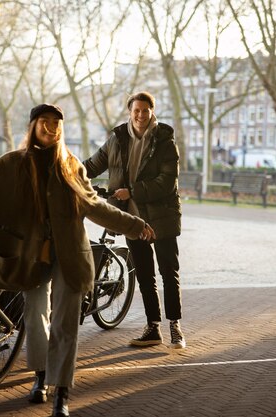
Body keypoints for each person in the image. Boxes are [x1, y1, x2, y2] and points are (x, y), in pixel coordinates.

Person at [0, 103, 155, 417]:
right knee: (35, 316)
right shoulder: (11, 165)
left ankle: (61, 392)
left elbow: (97, 208)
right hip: (30, 257)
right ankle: (40, 376)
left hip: (70, 258)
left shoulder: (71, 167)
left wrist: (135, 226)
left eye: (56, 123)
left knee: (65, 324)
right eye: (44, 122)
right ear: (33, 126)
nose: (51, 128)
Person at [83, 91, 185, 349]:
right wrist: (64, 170)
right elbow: (92, 165)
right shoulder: (117, 139)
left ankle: (175, 326)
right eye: (136, 110)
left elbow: (167, 182)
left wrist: (133, 191)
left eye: (145, 110)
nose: (140, 115)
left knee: (168, 272)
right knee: (144, 275)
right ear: (130, 112)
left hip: (161, 216)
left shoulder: (164, 141)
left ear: (152, 111)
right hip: (131, 219)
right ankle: (153, 328)